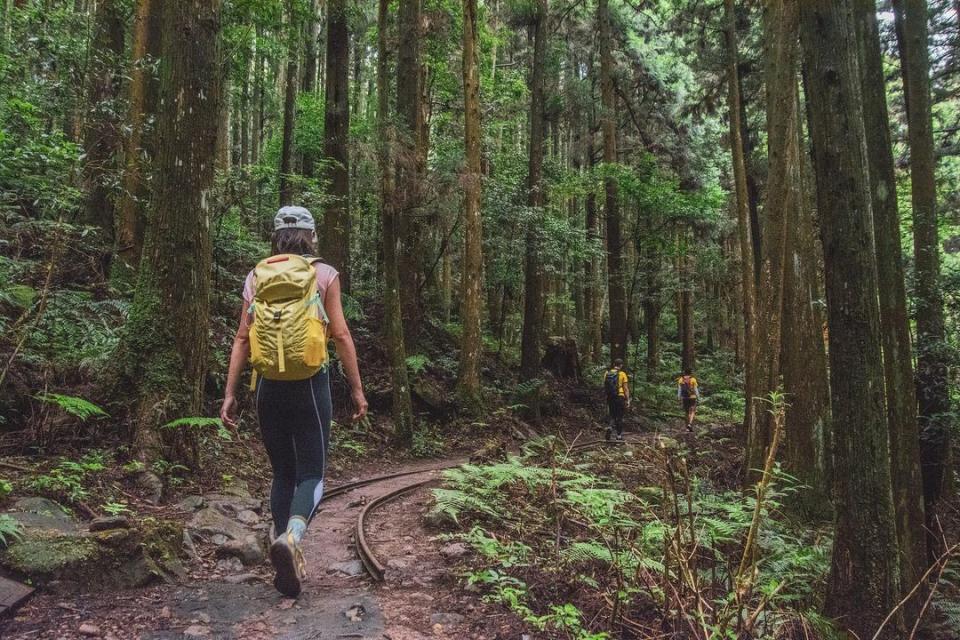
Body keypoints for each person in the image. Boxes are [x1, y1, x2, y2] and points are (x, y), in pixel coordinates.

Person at [220, 205, 368, 598]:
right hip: (309, 385)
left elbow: (240, 338)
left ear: (275, 237)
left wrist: (230, 394)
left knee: (283, 473)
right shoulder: (323, 274)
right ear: (312, 235)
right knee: (312, 474)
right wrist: (356, 389)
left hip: (267, 386)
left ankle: (283, 546)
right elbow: (340, 334)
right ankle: (292, 538)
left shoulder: (257, 276)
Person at [603, 358, 630, 441]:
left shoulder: (607, 373)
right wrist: (628, 400)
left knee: (612, 415)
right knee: (619, 416)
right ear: (621, 365)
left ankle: (610, 427)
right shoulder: (622, 374)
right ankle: (619, 436)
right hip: (620, 397)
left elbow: (605, 386)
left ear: (614, 364)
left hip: (610, 397)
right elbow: (625, 388)